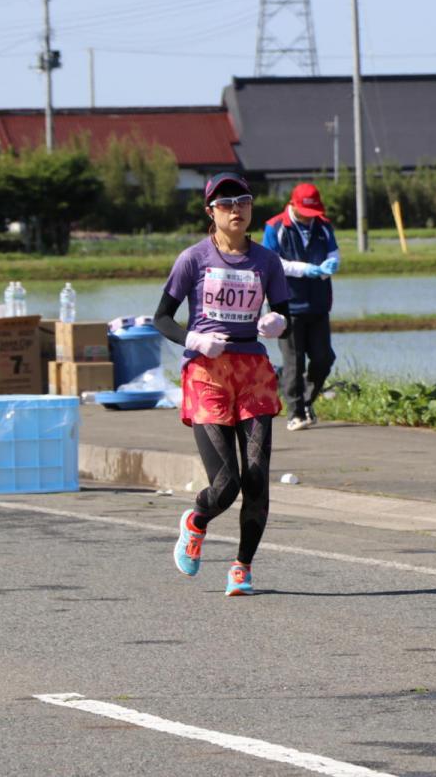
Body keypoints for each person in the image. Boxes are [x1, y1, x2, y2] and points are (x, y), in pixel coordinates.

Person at [152, 172, 292, 596]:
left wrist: (278, 322)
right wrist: (193, 338)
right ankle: (196, 521)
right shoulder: (193, 259)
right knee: (226, 483)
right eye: (227, 203)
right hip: (207, 375)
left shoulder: (267, 262)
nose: (237, 209)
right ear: (210, 211)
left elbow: (285, 315)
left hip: (253, 373)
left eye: (244, 202)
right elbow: (161, 317)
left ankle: (242, 567)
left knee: (257, 477)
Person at [261, 183, 340, 431]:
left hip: (318, 303)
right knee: (294, 362)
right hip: (288, 305)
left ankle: (305, 402)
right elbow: (272, 263)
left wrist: (331, 265)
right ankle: (295, 413)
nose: (310, 218)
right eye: (307, 212)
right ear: (293, 204)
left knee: (324, 358)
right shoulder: (275, 226)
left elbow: (334, 252)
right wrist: (306, 269)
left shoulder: (323, 226)